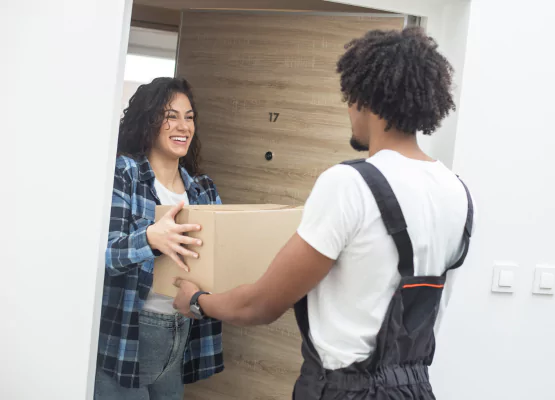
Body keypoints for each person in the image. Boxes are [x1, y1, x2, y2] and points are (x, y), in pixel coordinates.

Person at [173, 27, 475, 399]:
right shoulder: (456, 191)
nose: (349, 108)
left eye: (350, 96)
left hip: (345, 390)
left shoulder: (350, 183)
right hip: (415, 389)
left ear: (367, 99)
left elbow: (262, 305)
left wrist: (196, 301)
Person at [95, 77, 223, 399]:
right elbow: (104, 255)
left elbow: (220, 260)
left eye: (189, 116)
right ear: (149, 120)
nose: (183, 126)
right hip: (127, 337)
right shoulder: (125, 173)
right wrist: (150, 239)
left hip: (182, 330)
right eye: (171, 115)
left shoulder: (204, 189)